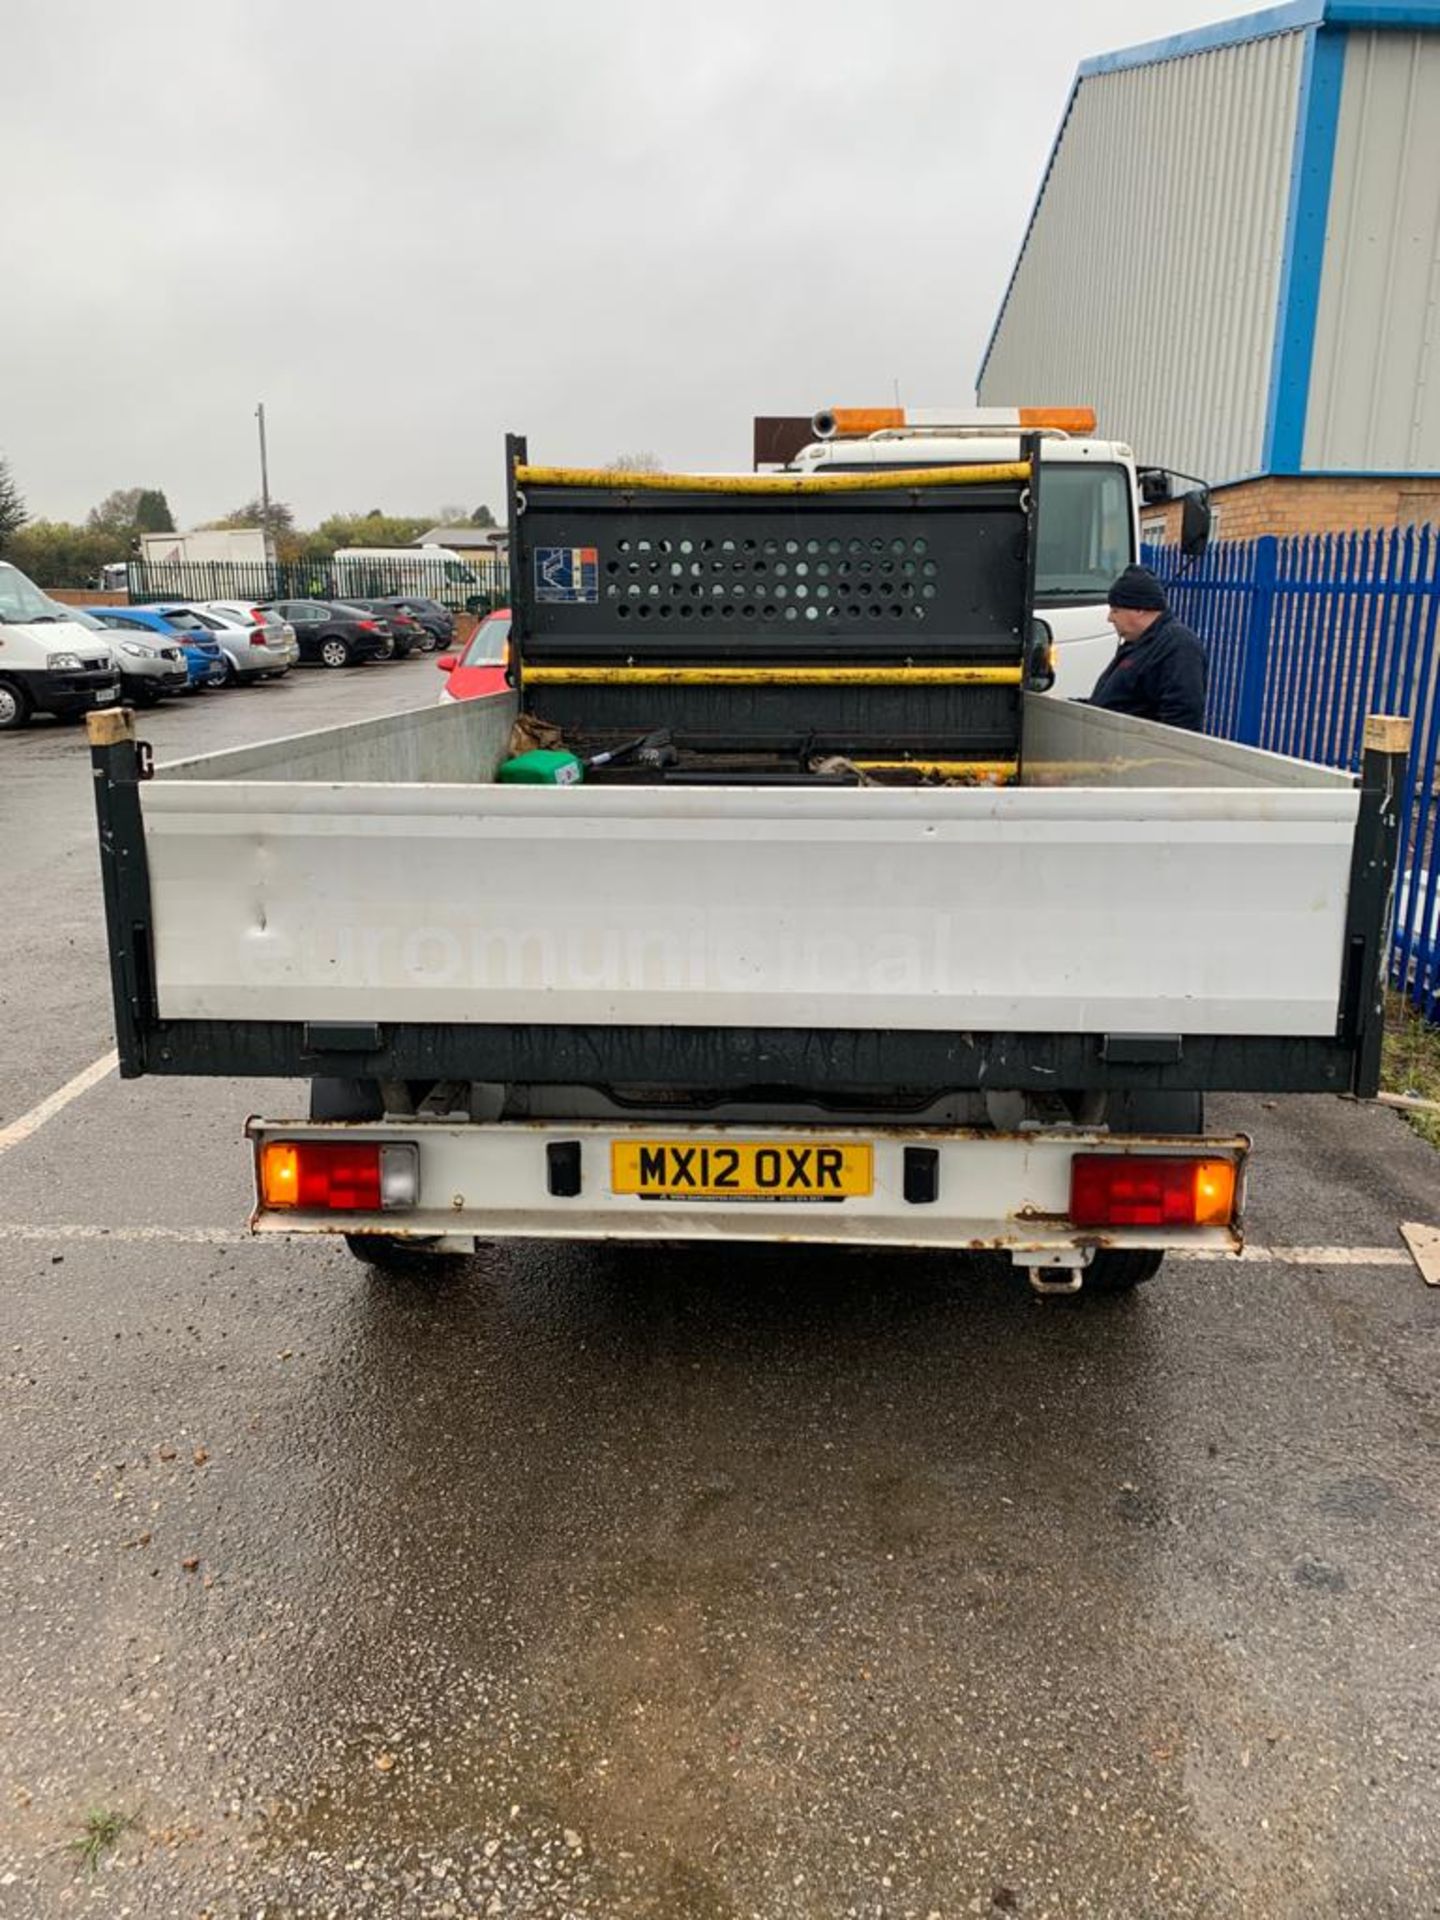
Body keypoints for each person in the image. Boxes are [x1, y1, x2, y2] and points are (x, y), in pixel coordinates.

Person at [1088, 564, 1207, 731]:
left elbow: (1182, 718)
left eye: (1115, 610)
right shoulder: (1139, 642)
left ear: (1139, 609)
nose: (1110, 618)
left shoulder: (1178, 647)